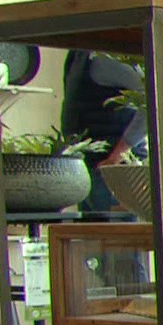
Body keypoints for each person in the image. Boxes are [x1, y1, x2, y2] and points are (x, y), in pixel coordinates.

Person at [59, 49, 147, 213]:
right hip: (85, 169)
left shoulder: (107, 59)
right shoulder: (77, 56)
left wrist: (118, 154)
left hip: (111, 169)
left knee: (115, 228)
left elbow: (153, 99)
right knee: (93, 229)